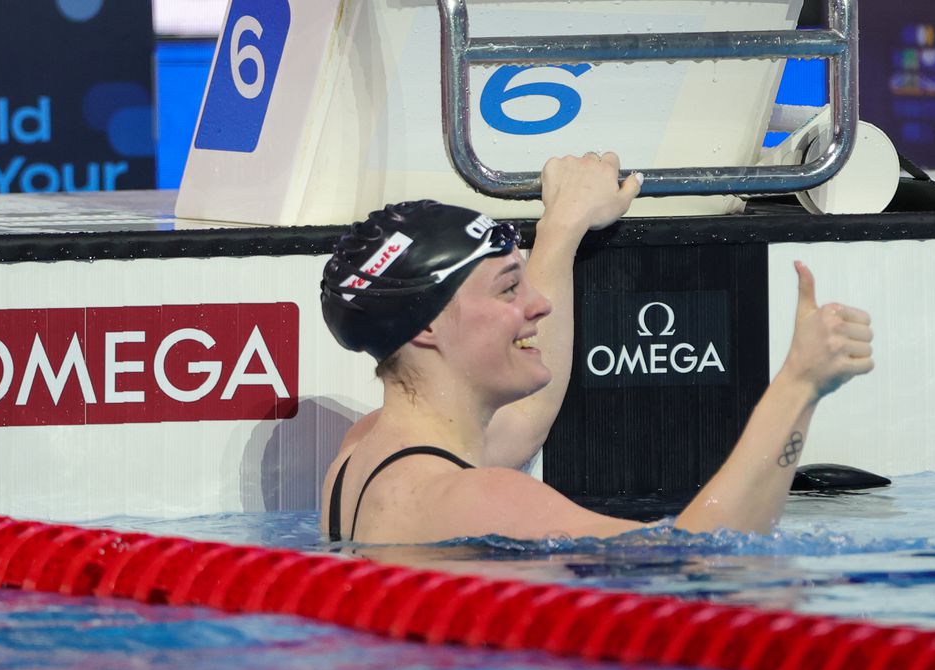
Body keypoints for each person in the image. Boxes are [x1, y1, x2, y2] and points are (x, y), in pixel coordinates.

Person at [319, 153, 874, 544]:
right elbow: (709, 562)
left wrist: (561, 227)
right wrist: (799, 386)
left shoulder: (364, 456)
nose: (539, 304)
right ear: (428, 327)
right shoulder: (480, 500)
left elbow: (528, 418)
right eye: (509, 287)